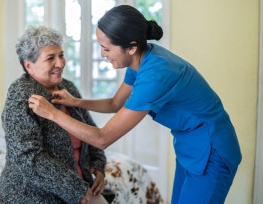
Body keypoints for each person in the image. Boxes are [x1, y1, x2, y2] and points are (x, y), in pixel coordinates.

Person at [28, 5, 242, 204]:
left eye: (106, 48)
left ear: (130, 47)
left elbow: (103, 139)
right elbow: (115, 103)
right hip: (190, 145)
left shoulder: (156, 74)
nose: (102, 54)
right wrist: (76, 102)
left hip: (212, 149)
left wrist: (52, 114)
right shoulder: (139, 60)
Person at [0, 26, 111, 204]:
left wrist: (98, 167)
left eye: (61, 55)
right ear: (29, 66)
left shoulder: (68, 87)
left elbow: (90, 132)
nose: (60, 63)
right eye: (50, 58)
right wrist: (74, 188)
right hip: (34, 195)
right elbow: (27, 157)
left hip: (81, 186)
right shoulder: (20, 94)